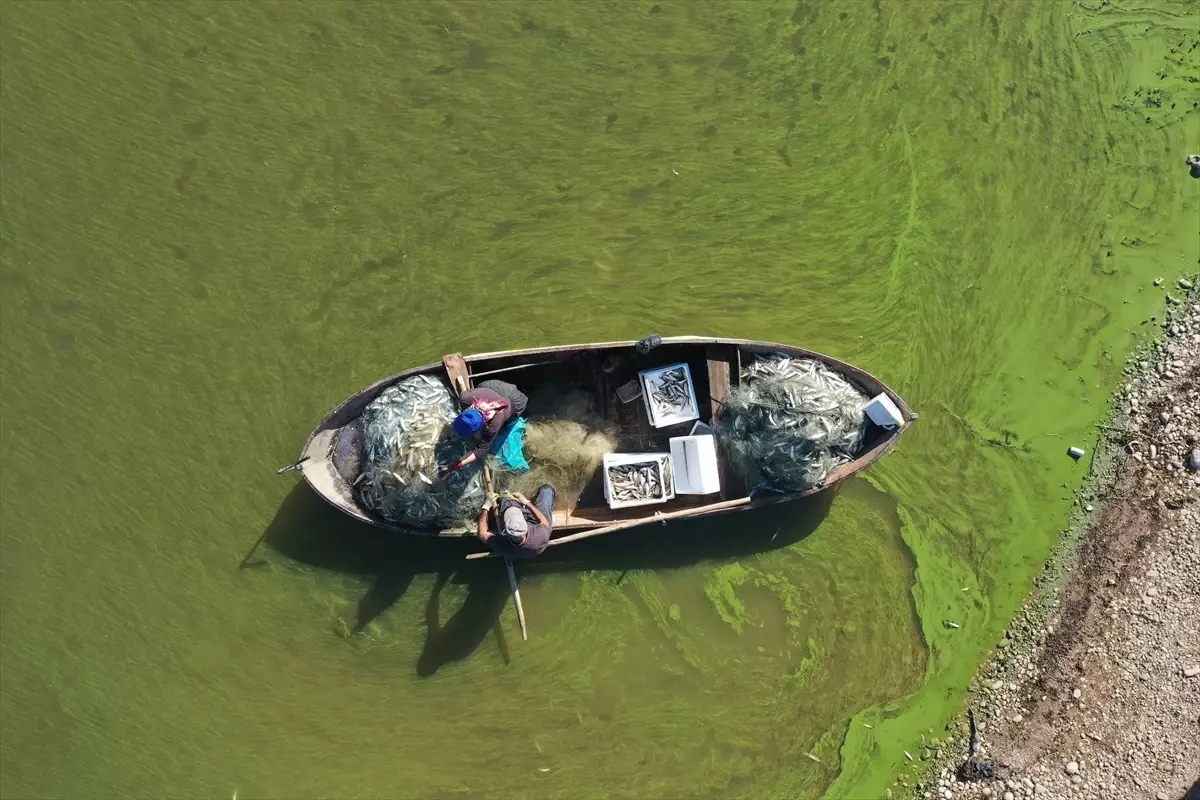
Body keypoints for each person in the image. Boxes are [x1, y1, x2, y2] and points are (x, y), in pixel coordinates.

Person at [437, 379, 528, 480]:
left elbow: (481, 450)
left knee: (507, 421)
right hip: (492, 385)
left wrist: (453, 466)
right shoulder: (464, 399)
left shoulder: (494, 424)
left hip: (515, 400)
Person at [477, 485, 556, 558]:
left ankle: (507, 499)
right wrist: (526, 503)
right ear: (525, 526)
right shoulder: (540, 535)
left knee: (505, 496)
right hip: (534, 523)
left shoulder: (502, 545)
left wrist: (486, 507)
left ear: (505, 532)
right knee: (546, 489)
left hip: (524, 525)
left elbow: (482, 533)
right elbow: (544, 521)